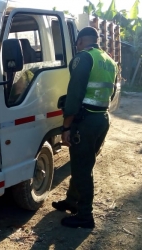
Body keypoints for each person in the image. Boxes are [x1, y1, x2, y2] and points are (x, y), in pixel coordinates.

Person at [52, 27, 118, 228]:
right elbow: (112, 92)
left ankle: (85, 215)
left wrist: (66, 127)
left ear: (80, 41)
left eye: (77, 43)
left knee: (82, 169)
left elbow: (75, 95)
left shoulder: (84, 58)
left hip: (85, 120)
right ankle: (72, 201)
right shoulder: (108, 60)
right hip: (102, 118)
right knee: (83, 164)